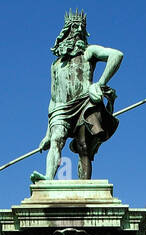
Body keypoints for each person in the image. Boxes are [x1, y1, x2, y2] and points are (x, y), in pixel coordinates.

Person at [32, 11, 123, 182]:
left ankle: (84, 186)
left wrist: (100, 83)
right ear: (66, 32)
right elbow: (53, 97)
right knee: (56, 139)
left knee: (84, 147)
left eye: (82, 27)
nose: (79, 29)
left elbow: (116, 55)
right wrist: (47, 133)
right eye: (75, 26)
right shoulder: (56, 64)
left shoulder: (89, 52)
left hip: (85, 103)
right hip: (61, 108)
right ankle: (48, 178)